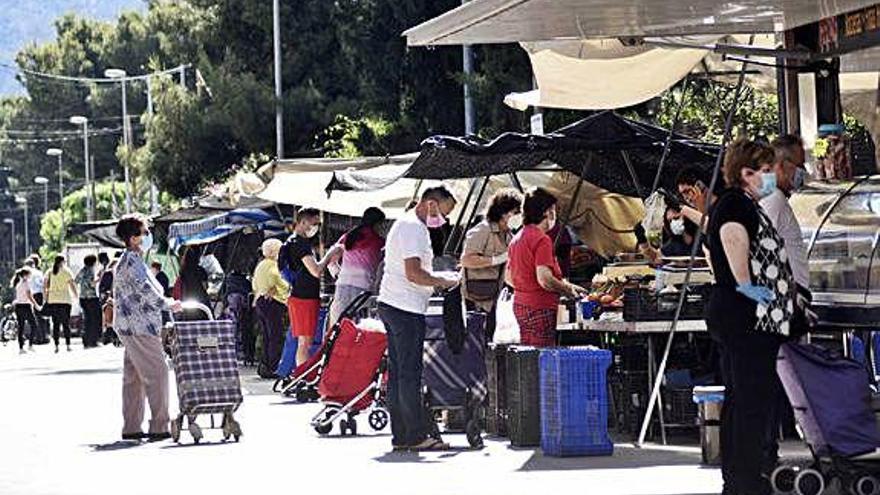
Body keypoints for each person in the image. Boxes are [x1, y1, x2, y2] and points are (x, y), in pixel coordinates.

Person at [705, 139, 795, 495]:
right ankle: (744, 478)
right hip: (746, 318)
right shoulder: (735, 207)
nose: (772, 176)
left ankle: (742, 475)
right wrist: (746, 285)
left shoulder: (740, 204)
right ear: (746, 174)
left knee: (743, 398)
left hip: (743, 316)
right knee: (750, 399)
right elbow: (731, 241)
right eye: (767, 170)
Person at [378, 186, 460, 451]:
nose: (444, 220)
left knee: (399, 373)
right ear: (431, 204)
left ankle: (402, 436)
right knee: (409, 374)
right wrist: (442, 281)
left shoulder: (406, 224)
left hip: (394, 303)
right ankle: (414, 436)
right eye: (444, 212)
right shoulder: (413, 228)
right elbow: (413, 273)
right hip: (405, 308)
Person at [759, 134, 810, 474]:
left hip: (784, 300)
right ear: (782, 166)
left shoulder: (771, 199)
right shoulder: (774, 201)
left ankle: (780, 433)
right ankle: (782, 433)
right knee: (783, 374)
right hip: (785, 302)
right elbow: (766, 254)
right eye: (798, 165)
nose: (801, 172)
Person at [114, 214, 181, 441]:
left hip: (130, 326)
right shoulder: (132, 262)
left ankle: (132, 426)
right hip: (140, 326)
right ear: (133, 238)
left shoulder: (129, 260)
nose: (147, 237)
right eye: (144, 233)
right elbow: (146, 292)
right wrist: (169, 304)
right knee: (158, 372)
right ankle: (159, 425)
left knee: (133, 378)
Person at [507, 187, 587, 347]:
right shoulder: (541, 239)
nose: (555, 215)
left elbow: (509, 277)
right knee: (542, 357)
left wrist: (570, 286)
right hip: (539, 308)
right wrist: (566, 290)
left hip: (521, 305)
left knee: (528, 357)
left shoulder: (517, 238)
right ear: (547, 212)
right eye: (554, 210)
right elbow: (544, 279)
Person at [460, 188, 522, 341]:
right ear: (503, 212)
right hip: (475, 298)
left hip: (495, 296)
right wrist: (496, 260)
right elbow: (466, 259)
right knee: (477, 342)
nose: (518, 217)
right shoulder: (483, 230)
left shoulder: (509, 234)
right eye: (515, 212)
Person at [279, 207, 336, 366]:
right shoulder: (300, 244)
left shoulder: (291, 242)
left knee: (304, 341)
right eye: (314, 223)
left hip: (299, 296)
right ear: (303, 222)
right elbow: (316, 270)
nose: (316, 227)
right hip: (304, 298)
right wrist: (330, 255)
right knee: (305, 342)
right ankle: (301, 377)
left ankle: (300, 375)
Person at [327, 207, 386, 328]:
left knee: (337, 328)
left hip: (342, 287)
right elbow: (381, 268)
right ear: (377, 223)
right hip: (363, 290)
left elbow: (331, 261)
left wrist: (338, 274)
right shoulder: (379, 242)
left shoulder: (349, 236)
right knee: (357, 329)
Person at [252, 238, 289, 379]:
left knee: (267, 336)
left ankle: (266, 365)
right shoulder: (273, 265)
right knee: (275, 336)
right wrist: (287, 287)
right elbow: (279, 281)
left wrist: (264, 289)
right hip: (272, 303)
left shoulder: (260, 265)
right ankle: (274, 366)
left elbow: (255, 285)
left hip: (261, 301)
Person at [44, 255, 78, 353]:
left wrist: (46, 298)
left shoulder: (49, 272)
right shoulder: (66, 272)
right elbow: (72, 285)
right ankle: (68, 345)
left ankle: (56, 346)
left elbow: (46, 286)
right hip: (65, 300)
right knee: (66, 323)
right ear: (62, 262)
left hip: (53, 300)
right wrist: (76, 296)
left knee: (56, 324)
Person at [11, 268, 40, 354]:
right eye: (29, 274)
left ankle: (21, 348)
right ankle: (30, 345)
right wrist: (36, 305)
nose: (30, 276)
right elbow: (29, 296)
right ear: (25, 275)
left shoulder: (18, 283)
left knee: (21, 327)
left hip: (18, 306)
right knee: (34, 325)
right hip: (26, 306)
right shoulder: (26, 283)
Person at [75, 255, 102, 348]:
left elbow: (76, 280)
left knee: (86, 319)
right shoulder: (91, 271)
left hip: (83, 298)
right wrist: (99, 278)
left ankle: (85, 340)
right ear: (93, 262)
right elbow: (92, 283)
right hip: (91, 298)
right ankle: (93, 341)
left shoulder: (82, 270)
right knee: (94, 319)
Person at [23, 255, 48, 344]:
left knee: (34, 317)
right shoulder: (39, 272)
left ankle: (38, 338)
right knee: (41, 316)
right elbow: (42, 284)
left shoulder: (28, 273)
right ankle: (44, 336)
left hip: (33, 295)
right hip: (40, 294)